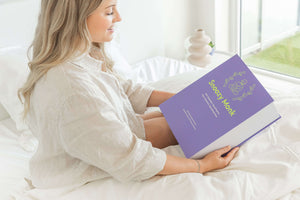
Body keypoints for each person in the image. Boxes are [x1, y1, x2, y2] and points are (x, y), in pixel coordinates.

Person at [18, 0, 239, 189]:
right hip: (80, 167)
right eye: (109, 11)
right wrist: (202, 166)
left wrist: (182, 98)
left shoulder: (78, 57)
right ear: (77, 19)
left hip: (97, 137)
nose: (119, 18)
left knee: (181, 113)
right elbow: (133, 158)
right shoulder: (74, 91)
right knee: (187, 123)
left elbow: (123, 89)